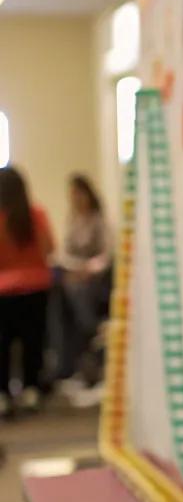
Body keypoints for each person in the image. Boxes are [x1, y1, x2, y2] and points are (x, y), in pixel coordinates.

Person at [0, 167, 55, 415]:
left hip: (4, 291)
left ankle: (2, 394)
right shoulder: (37, 215)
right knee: (33, 341)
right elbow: (50, 248)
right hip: (36, 287)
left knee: (3, 346)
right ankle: (31, 389)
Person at [52, 174, 112, 386]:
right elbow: (63, 253)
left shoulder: (99, 220)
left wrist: (88, 268)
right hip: (73, 275)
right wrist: (74, 268)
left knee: (77, 291)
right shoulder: (72, 221)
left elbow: (106, 255)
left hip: (95, 279)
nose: (75, 199)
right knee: (60, 289)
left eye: (78, 194)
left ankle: (91, 329)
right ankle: (64, 362)